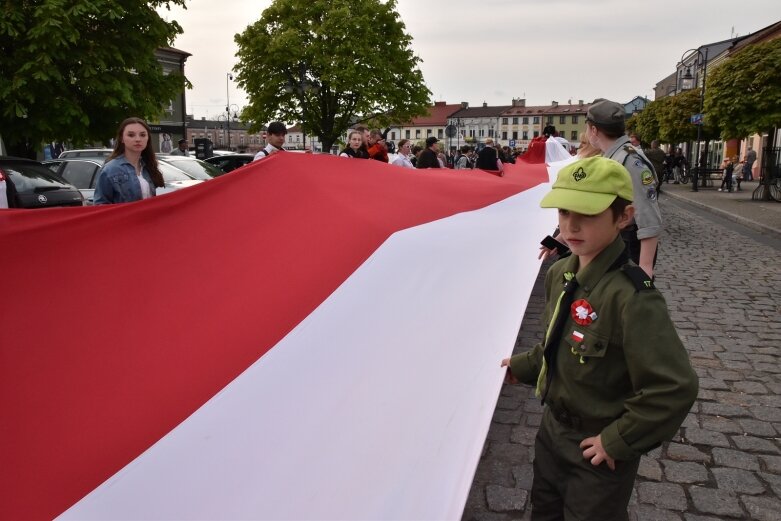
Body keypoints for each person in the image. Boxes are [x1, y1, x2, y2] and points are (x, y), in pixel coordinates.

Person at [501, 156, 698, 521]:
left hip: (596, 448)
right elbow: (555, 341)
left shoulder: (633, 297)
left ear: (623, 217)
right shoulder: (561, 272)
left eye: (587, 214)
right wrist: (522, 366)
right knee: (544, 512)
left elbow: (673, 387)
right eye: (563, 212)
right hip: (552, 434)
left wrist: (618, 440)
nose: (571, 225)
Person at [586, 99, 662, 277]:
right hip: (616, 240)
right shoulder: (613, 157)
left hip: (629, 244)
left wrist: (644, 268)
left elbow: (648, 217)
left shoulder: (630, 161)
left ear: (594, 130)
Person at [93, 117, 164, 205]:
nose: (138, 139)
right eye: (131, 135)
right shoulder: (111, 169)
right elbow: (100, 205)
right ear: (122, 139)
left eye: (142, 135)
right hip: (123, 218)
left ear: (148, 138)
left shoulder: (149, 166)